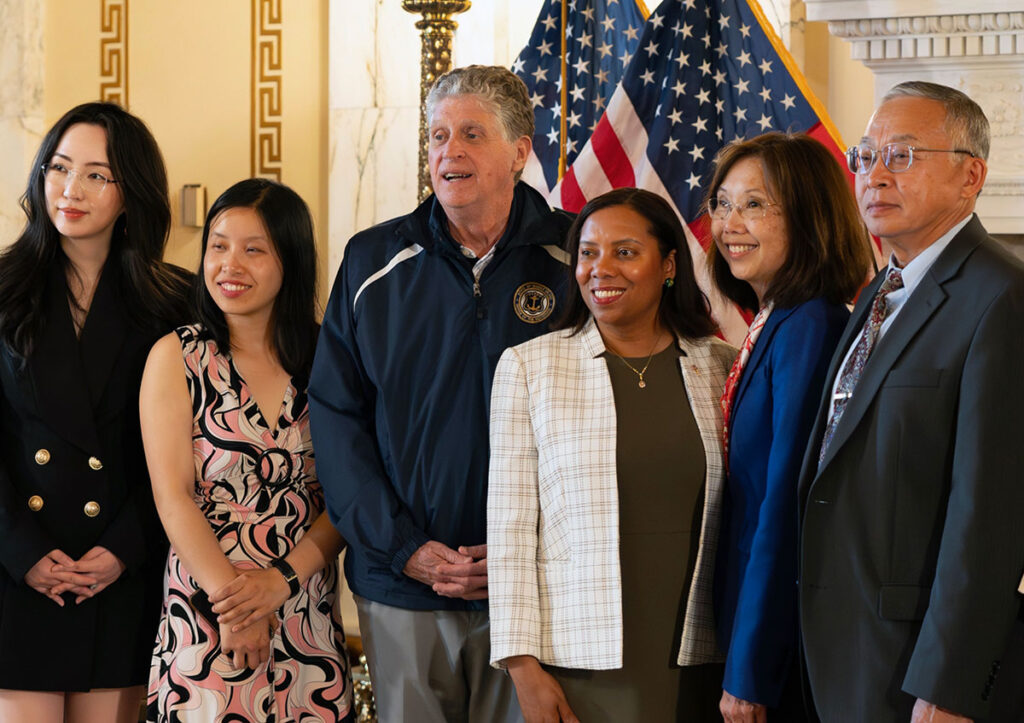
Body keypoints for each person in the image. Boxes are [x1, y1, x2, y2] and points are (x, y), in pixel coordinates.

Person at [308, 64, 573, 722]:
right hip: (402, 589)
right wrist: (408, 550)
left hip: (541, 596)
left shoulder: (578, 256)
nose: (448, 151)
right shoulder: (372, 262)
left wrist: (524, 555)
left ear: (519, 150)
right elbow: (338, 423)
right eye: (436, 135)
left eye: (471, 134)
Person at [798, 81, 1024, 722]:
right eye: (865, 156)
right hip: (840, 647)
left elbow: (990, 520)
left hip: (917, 666)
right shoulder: (879, 290)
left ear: (970, 176)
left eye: (902, 155)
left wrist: (948, 686)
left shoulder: (1000, 299)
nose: (875, 175)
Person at [488, 187, 736, 722]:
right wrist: (522, 667)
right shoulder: (530, 368)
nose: (601, 268)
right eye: (588, 252)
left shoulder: (723, 365)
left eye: (624, 252)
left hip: (702, 656)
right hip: (577, 664)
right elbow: (509, 531)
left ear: (669, 264)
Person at [0, 103, 191, 722]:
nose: (70, 189)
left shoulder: (176, 302)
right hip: (17, 570)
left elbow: (189, 448)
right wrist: (22, 550)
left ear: (131, 191)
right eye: (58, 168)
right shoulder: (1, 289)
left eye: (95, 175)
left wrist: (124, 548)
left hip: (122, 571)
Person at [143, 178, 353, 721]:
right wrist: (236, 606)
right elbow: (173, 497)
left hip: (304, 609)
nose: (229, 265)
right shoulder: (178, 356)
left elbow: (350, 494)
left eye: (253, 249)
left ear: (292, 260)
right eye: (218, 245)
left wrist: (281, 582)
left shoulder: (329, 357)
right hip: (208, 612)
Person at [706, 133, 873, 722]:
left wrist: (749, 670)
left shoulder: (811, 324)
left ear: (809, 216)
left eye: (755, 204)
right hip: (750, 627)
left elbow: (787, 504)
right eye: (723, 203)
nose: (731, 224)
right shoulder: (775, 319)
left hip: (778, 651)